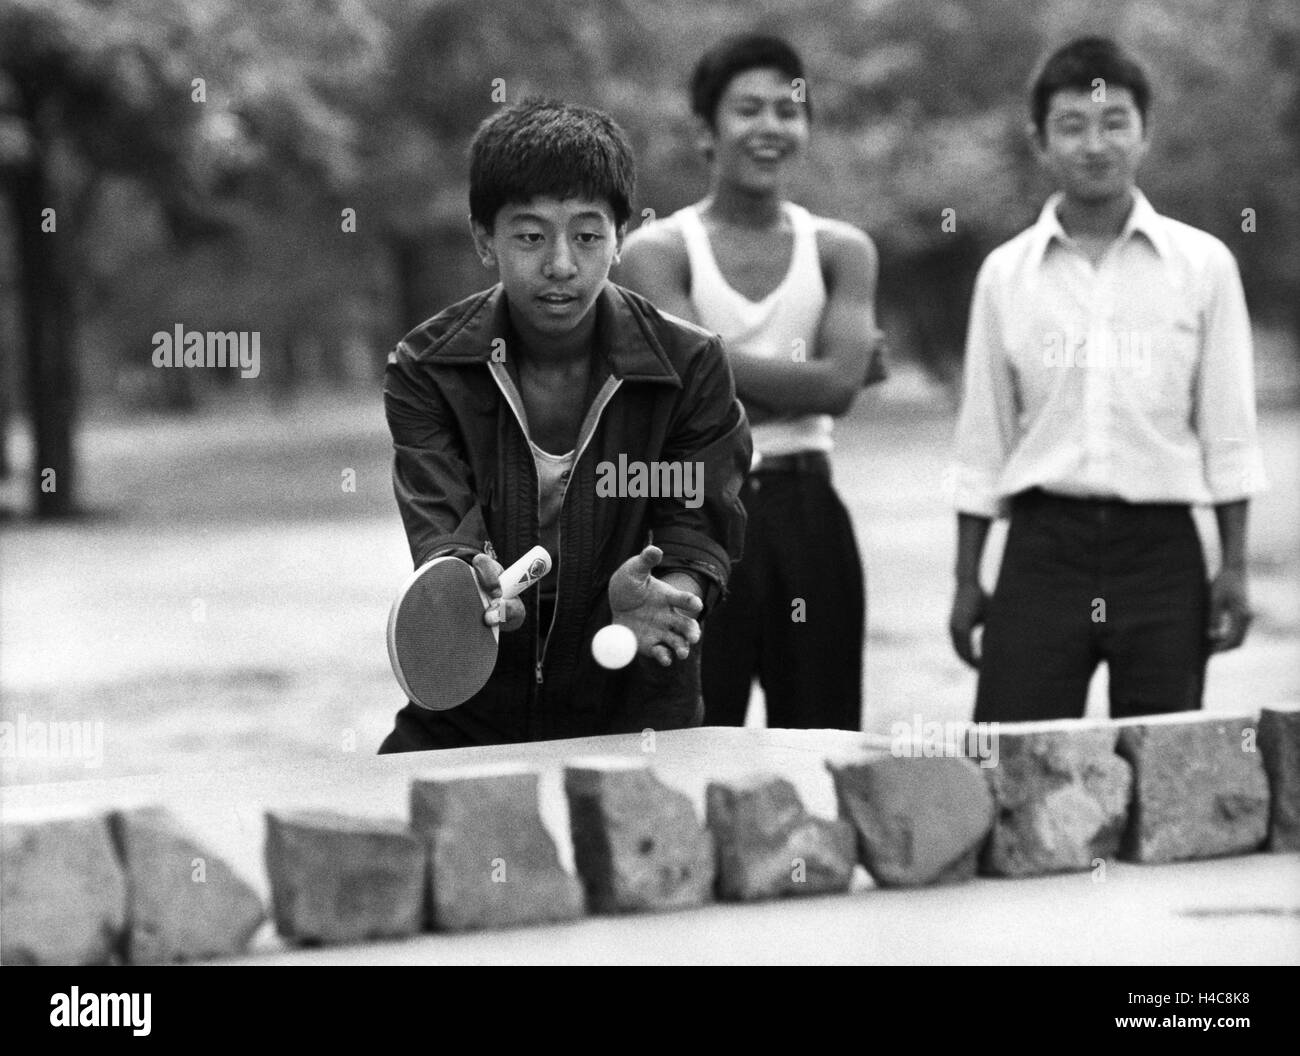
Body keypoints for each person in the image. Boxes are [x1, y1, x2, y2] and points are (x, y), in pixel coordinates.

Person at [378, 99, 751, 751]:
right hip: (476, 700)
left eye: (586, 235)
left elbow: (698, 524)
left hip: (639, 703)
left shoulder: (690, 366)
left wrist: (667, 593)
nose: (560, 264)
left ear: (620, 235)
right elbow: (442, 527)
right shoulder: (427, 369)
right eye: (530, 236)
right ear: (483, 239)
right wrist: (474, 579)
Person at [948, 37, 1266, 722]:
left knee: (1163, 765)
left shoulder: (1202, 266)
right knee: (1009, 755)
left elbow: (1228, 428)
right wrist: (967, 577)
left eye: (1115, 122)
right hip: (1042, 548)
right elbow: (983, 437)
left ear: (1144, 133)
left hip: (1162, 555)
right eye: (1072, 125)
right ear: (1039, 141)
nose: (1095, 144)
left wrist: (1234, 566)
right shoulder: (1006, 274)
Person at [618, 33, 882, 731]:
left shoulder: (840, 250)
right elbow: (698, 383)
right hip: (694, 516)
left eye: (788, 110)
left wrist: (714, 378)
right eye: (748, 110)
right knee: (694, 735)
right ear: (706, 131)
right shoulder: (656, 251)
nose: (770, 127)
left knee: (825, 739)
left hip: (808, 512)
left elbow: (838, 391)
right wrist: (811, 375)